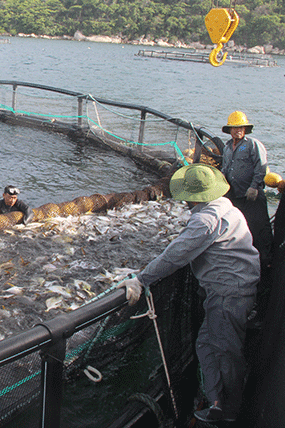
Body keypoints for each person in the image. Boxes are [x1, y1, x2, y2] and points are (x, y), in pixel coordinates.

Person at [118, 163, 260, 424]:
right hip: (236, 288)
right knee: (206, 344)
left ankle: (230, 410)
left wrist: (140, 279)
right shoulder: (227, 206)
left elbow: (175, 256)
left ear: (192, 195)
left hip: (229, 294)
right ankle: (216, 400)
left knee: (225, 348)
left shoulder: (206, 220)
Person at [220, 110, 272, 266]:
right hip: (235, 196)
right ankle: (246, 260)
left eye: (241, 127)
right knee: (241, 228)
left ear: (246, 129)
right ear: (229, 130)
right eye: (235, 128)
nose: (238, 130)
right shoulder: (227, 148)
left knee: (260, 228)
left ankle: (267, 261)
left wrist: (254, 186)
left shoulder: (252, 144)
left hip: (252, 196)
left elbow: (261, 167)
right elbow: (225, 168)